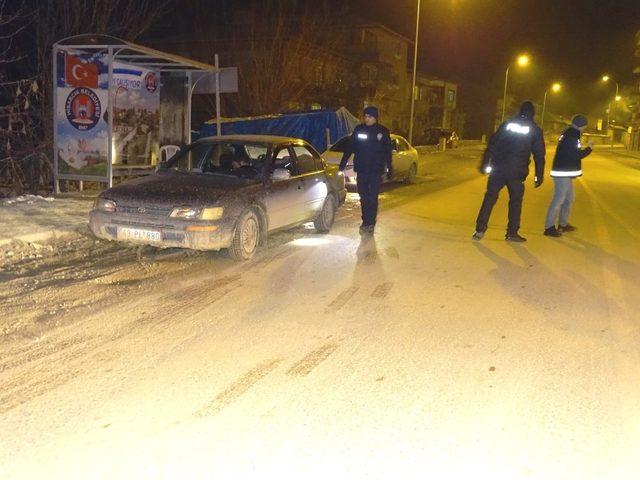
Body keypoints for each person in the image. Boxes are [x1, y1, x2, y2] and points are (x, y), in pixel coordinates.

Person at [473, 101, 546, 242]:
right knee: (515, 202)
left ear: (520, 111)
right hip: (517, 172)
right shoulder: (534, 129)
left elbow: (493, 144)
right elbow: (539, 155)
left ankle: (479, 230)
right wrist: (539, 176)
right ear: (533, 113)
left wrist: (484, 163)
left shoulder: (507, 124)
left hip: (498, 168)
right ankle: (512, 233)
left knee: (489, 199)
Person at [339, 106, 393, 234]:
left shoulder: (382, 131)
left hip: (375, 171)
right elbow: (350, 147)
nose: (366, 118)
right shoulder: (359, 130)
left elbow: (388, 151)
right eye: (365, 116)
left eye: (369, 116)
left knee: (372, 197)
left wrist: (390, 168)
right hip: (362, 170)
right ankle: (365, 220)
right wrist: (342, 163)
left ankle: (370, 222)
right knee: (363, 196)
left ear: (375, 117)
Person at [543, 115, 593, 237]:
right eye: (584, 126)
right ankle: (549, 227)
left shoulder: (570, 132)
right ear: (582, 125)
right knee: (559, 199)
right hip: (562, 172)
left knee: (569, 198)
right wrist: (589, 149)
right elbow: (575, 155)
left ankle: (563, 224)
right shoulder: (572, 135)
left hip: (564, 171)